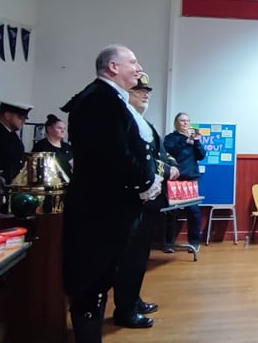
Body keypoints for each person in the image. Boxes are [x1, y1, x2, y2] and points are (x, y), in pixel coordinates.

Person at [60, 44, 161, 343]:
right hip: (100, 209)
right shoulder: (100, 100)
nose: (138, 68)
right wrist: (145, 182)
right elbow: (114, 154)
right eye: (133, 62)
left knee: (100, 278)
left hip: (109, 206)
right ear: (113, 67)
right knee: (91, 280)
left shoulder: (109, 98)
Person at [111, 71, 179, 329]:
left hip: (150, 199)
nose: (145, 96)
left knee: (139, 258)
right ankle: (125, 309)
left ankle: (133, 299)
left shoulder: (145, 124)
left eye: (147, 92)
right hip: (133, 199)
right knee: (130, 258)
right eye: (139, 91)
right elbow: (139, 160)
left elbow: (161, 154)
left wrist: (169, 164)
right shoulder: (126, 122)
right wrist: (165, 169)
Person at [164, 112, 206, 250]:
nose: (185, 123)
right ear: (176, 123)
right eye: (182, 121)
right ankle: (168, 243)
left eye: (187, 120)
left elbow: (201, 156)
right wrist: (185, 140)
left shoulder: (193, 139)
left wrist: (196, 141)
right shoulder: (171, 138)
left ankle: (194, 242)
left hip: (191, 179)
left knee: (193, 211)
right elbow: (172, 152)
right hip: (175, 179)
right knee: (171, 211)